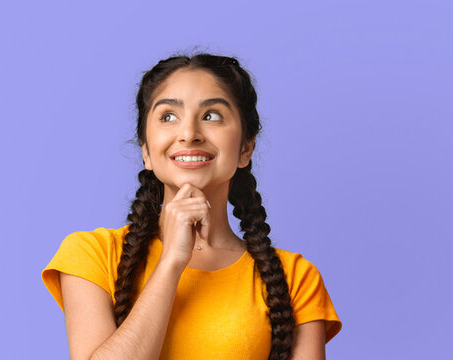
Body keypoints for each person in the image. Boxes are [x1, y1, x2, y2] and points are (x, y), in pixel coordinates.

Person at [41, 53, 342, 360]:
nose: (188, 134)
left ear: (245, 148)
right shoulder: (92, 254)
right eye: (168, 116)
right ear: (146, 151)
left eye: (211, 115)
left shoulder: (295, 277)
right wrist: (171, 261)